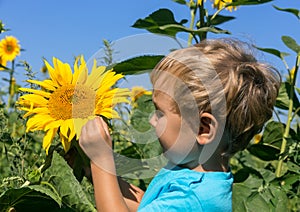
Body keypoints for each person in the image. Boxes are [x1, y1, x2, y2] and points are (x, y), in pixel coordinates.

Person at [79, 38, 281, 212]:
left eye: (160, 113)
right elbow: (149, 203)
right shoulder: (193, 172)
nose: (152, 120)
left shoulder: (194, 199)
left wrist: (101, 161)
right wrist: (92, 171)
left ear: (203, 129)